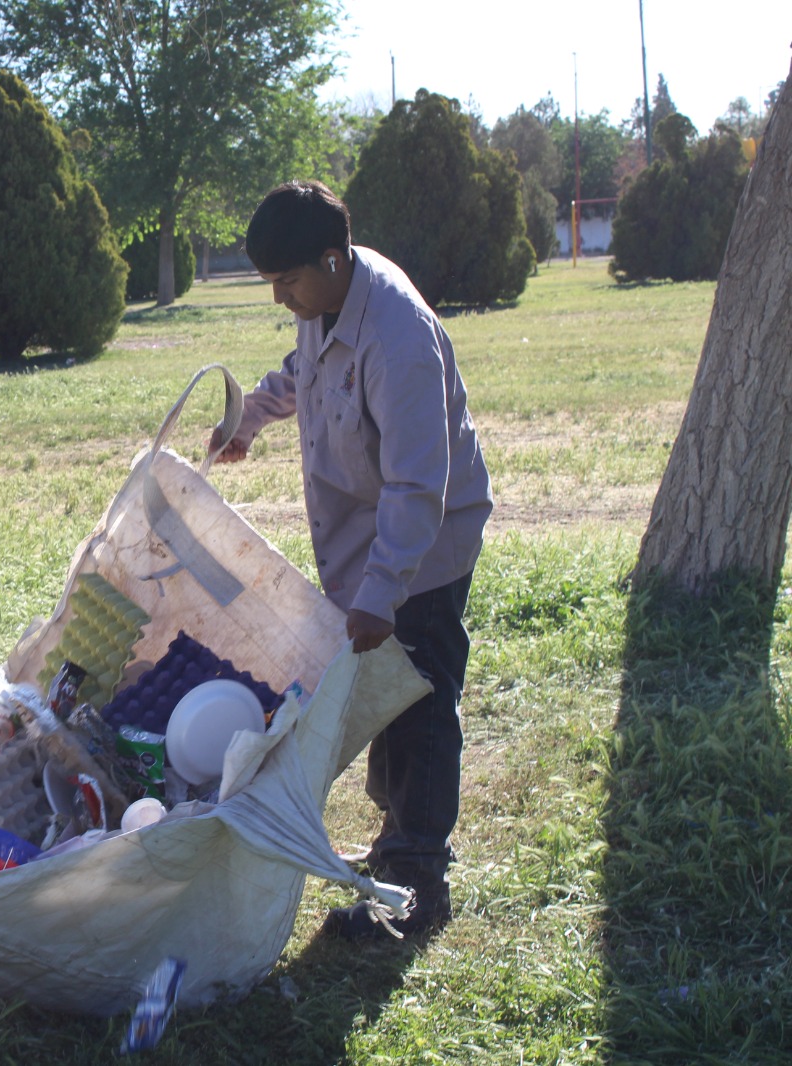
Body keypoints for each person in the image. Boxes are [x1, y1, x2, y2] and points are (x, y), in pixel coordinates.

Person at [210, 180, 492, 940]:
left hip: (420, 550)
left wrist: (382, 592)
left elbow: (416, 485)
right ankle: (403, 845)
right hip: (372, 546)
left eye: (287, 281)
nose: (281, 297)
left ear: (332, 260)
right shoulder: (327, 301)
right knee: (387, 706)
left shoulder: (397, 337)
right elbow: (300, 376)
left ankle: (417, 889)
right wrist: (249, 422)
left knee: (421, 707)